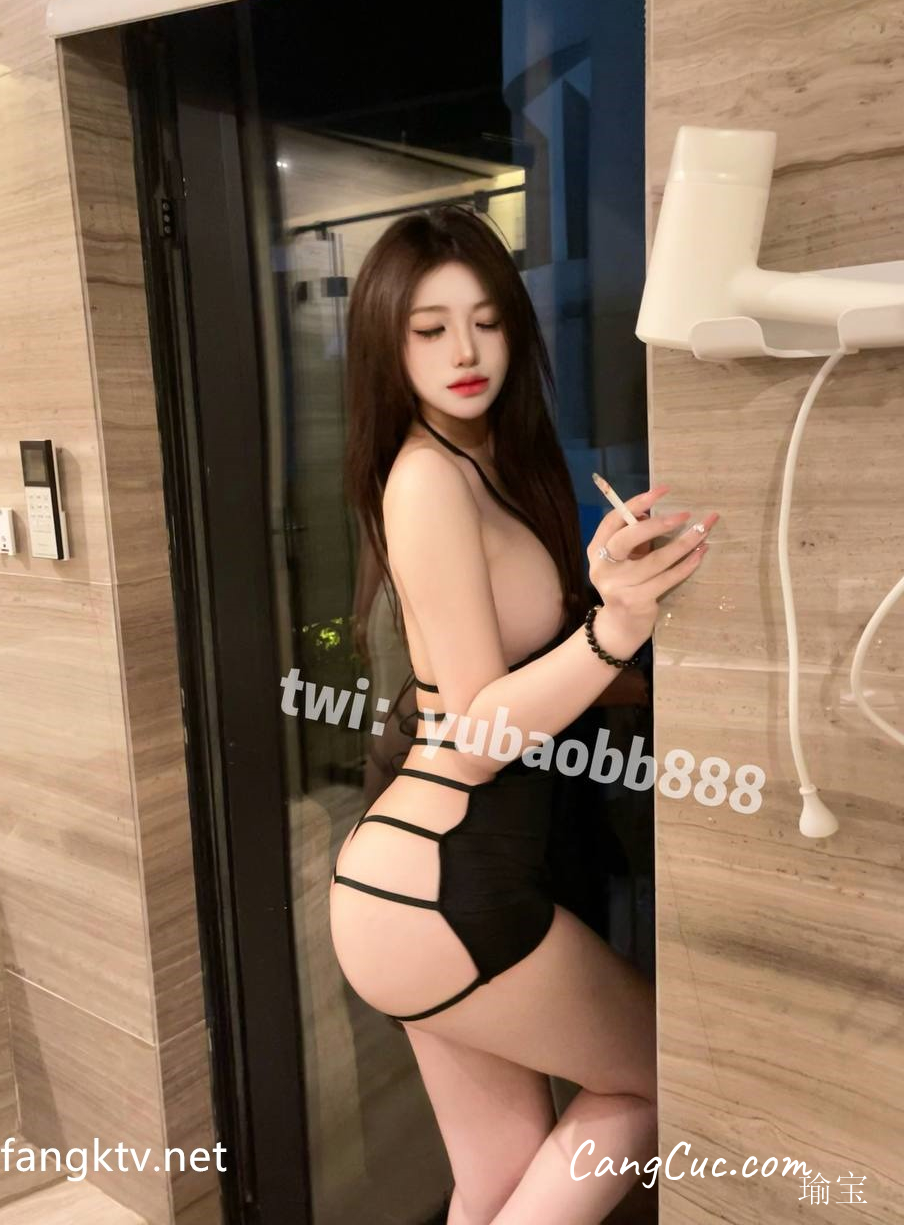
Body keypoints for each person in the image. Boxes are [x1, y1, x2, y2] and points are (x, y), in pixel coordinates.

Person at [328, 204, 717, 1224]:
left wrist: (618, 643)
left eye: (487, 320)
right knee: (660, 1079)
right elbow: (479, 730)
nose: (464, 352)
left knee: (497, 1182)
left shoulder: (482, 465)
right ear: (385, 344)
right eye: (429, 328)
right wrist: (613, 628)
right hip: (444, 879)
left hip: (414, 883)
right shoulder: (427, 479)